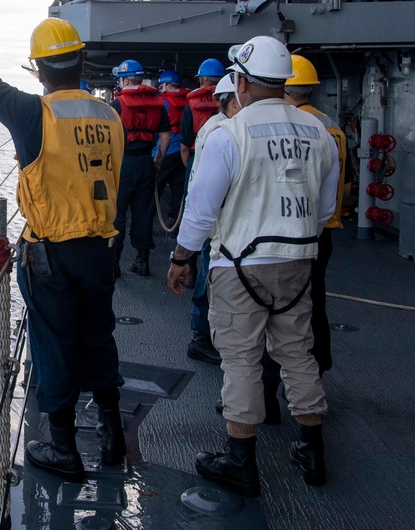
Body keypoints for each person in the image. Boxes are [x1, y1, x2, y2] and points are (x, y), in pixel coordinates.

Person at [0, 11, 127, 483]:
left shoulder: (34, 114)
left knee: (55, 346)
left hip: (53, 255)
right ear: (81, 62)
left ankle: (64, 449)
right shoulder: (110, 115)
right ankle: (112, 433)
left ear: (39, 71)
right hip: (102, 248)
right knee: (99, 336)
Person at [166, 36, 340, 498]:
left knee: (241, 359)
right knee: (297, 352)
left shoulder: (229, 133)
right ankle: (312, 449)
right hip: (300, 261)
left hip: (240, 266)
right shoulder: (318, 132)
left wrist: (182, 258)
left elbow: (201, 208)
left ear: (240, 82)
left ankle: (241, 461)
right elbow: (324, 210)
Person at [284, 54, 346, 374]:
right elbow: (344, 182)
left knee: (289, 306)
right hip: (327, 227)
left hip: (298, 227)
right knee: (316, 299)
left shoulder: (296, 127)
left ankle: (292, 373)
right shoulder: (332, 124)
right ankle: (320, 361)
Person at [184, 71, 238, 365]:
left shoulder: (217, 128)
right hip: (217, 225)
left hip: (224, 225)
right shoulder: (221, 132)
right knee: (207, 279)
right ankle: (201, 338)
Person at [111, 59, 170, 277]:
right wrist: (157, 163)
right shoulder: (157, 104)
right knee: (143, 213)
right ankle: (142, 261)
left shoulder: (117, 105)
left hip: (123, 164)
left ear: (125, 80)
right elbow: (165, 136)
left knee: (117, 213)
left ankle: (114, 263)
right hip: (146, 162)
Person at [155, 70, 190, 228]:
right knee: (178, 189)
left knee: (155, 188)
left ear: (168, 85)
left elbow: (158, 131)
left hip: (165, 152)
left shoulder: (163, 103)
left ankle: (147, 221)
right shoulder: (189, 101)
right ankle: (174, 221)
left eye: (162, 86)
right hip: (182, 152)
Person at [180, 59, 226, 172]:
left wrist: (189, 167)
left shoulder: (190, 107)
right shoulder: (231, 103)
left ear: (201, 80)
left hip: (197, 155)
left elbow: (184, 147)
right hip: (225, 154)